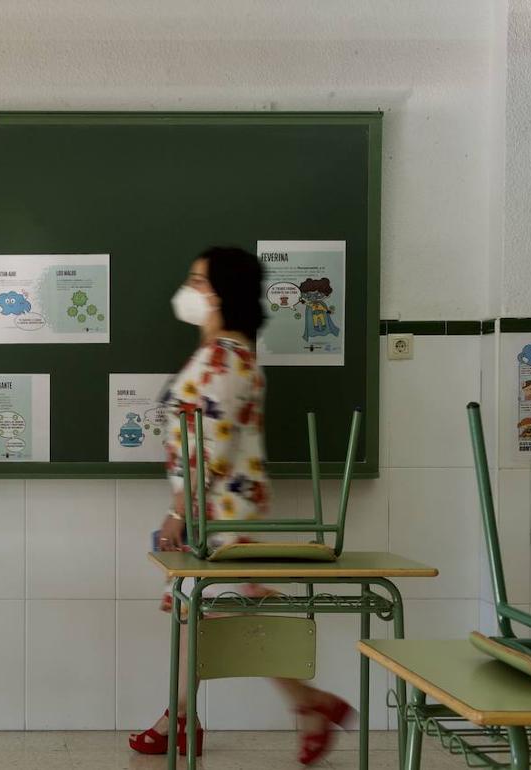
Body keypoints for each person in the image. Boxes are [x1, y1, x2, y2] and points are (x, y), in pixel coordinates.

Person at [128, 247, 353, 766]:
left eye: (199, 281)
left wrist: (179, 513)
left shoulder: (225, 358)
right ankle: (302, 705)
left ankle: (181, 722)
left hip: (220, 517)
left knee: (211, 617)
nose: (190, 290)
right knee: (209, 618)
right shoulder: (226, 354)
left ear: (222, 293)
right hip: (220, 513)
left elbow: (210, 443)